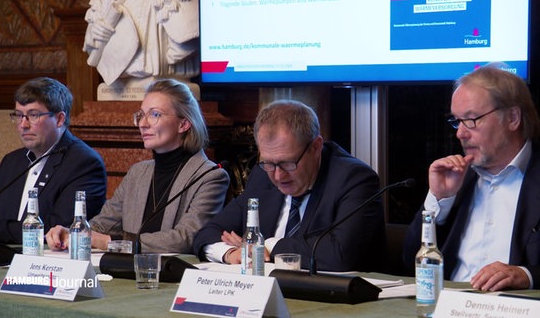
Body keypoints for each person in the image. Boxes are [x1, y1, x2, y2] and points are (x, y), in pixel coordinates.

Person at [193, 100, 385, 272]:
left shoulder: (354, 180)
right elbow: (208, 233)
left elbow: (339, 255)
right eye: (269, 163)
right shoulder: (262, 175)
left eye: (288, 163)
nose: (277, 175)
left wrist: (266, 246)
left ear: (316, 147)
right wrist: (230, 253)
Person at [46, 79, 230, 254]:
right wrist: (73, 233)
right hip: (125, 271)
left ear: (183, 124)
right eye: (141, 115)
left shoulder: (210, 176)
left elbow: (185, 239)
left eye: (155, 114)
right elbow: (103, 225)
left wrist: (111, 243)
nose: (143, 124)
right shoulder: (138, 172)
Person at [403, 63, 540, 291]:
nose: (460, 133)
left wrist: (526, 275)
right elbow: (410, 261)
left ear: (513, 118)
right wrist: (439, 198)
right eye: (457, 121)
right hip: (447, 305)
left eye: (472, 119)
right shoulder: (458, 180)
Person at [0, 77, 107, 243]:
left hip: (49, 263)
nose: (23, 124)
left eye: (33, 115)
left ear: (59, 119)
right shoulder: (12, 161)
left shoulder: (84, 163)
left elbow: (59, 229)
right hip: (3, 259)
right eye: (19, 115)